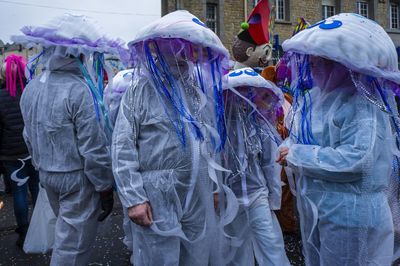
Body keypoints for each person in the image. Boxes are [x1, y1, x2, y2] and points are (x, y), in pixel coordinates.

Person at [112, 10, 236, 266]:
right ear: (161, 47)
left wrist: (213, 188)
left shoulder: (196, 91)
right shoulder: (139, 91)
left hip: (198, 192)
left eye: (189, 47)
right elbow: (122, 146)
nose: (184, 53)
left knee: (197, 255)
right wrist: (134, 198)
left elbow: (209, 143)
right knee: (160, 258)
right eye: (177, 46)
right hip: (158, 195)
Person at [276, 13, 400, 265]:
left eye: (323, 60)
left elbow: (357, 159)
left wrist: (297, 155)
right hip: (320, 209)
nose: (312, 65)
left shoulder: (362, 103)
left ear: (344, 64)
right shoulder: (316, 97)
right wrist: (287, 148)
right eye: (311, 59)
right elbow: (301, 136)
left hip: (351, 216)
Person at [12, 14, 124, 265]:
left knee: (66, 239)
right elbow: (92, 147)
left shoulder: (32, 88)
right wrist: (105, 185)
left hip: (48, 174)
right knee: (71, 249)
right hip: (77, 178)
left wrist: (42, 164)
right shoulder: (79, 89)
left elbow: (27, 135)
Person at [222, 67, 290, 266]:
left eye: (249, 92)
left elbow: (270, 163)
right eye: (239, 91)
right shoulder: (219, 126)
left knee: (269, 242)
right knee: (235, 247)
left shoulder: (259, 125)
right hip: (230, 197)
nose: (243, 97)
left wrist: (273, 199)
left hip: (257, 195)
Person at [0, 54, 40, 247]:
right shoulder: (32, 92)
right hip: (33, 150)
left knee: (19, 192)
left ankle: (24, 231)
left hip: (11, 154)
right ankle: (42, 229)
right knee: (36, 188)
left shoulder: (0, 97)